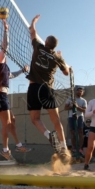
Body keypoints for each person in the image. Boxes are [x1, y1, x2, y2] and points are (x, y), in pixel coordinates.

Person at [26, 14, 71, 164]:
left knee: (35, 119)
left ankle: (48, 135)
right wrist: (62, 58)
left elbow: (32, 32)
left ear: (45, 42)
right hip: (47, 89)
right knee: (56, 120)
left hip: (34, 88)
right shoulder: (57, 58)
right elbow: (66, 72)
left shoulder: (38, 47)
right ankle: (64, 147)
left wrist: (33, 22)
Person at [0, 19, 31, 161]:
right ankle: (5, 150)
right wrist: (6, 29)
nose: (4, 55)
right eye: (1, 54)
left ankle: (18, 145)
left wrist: (22, 70)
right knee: (7, 124)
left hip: (4, 96)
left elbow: (11, 75)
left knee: (12, 120)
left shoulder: (5, 68)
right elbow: (6, 46)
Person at [64, 86, 87, 156]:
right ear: (76, 91)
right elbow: (65, 107)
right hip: (71, 117)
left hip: (80, 117)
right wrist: (72, 106)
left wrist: (77, 107)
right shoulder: (70, 98)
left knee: (80, 131)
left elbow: (84, 110)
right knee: (72, 132)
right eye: (78, 90)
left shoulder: (83, 100)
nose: (80, 92)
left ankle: (80, 148)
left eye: (81, 91)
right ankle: (74, 148)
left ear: (83, 93)